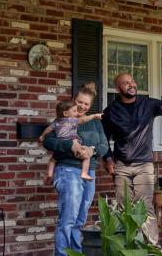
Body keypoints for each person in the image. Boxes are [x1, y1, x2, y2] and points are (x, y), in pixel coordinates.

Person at [101, 72, 162, 246]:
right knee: (124, 207)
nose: (131, 85)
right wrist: (107, 158)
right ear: (118, 88)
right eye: (126, 83)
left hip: (144, 164)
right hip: (121, 165)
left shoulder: (147, 104)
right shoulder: (111, 111)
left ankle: (150, 247)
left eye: (133, 81)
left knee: (144, 206)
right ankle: (128, 247)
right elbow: (102, 137)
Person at [43, 83, 109, 256]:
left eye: (86, 104)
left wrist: (92, 150)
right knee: (68, 220)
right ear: (74, 100)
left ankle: (76, 253)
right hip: (68, 172)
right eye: (79, 102)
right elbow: (47, 141)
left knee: (80, 221)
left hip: (89, 173)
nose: (82, 106)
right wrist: (69, 144)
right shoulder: (64, 120)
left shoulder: (95, 123)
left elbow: (104, 146)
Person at [39, 99, 102, 182]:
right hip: (73, 146)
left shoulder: (57, 122)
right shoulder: (72, 121)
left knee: (52, 160)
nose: (77, 113)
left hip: (61, 149)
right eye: (74, 111)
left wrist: (42, 136)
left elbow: (48, 129)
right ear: (66, 113)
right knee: (86, 157)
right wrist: (94, 116)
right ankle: (84, 173)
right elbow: (83, 120)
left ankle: (50, 173)